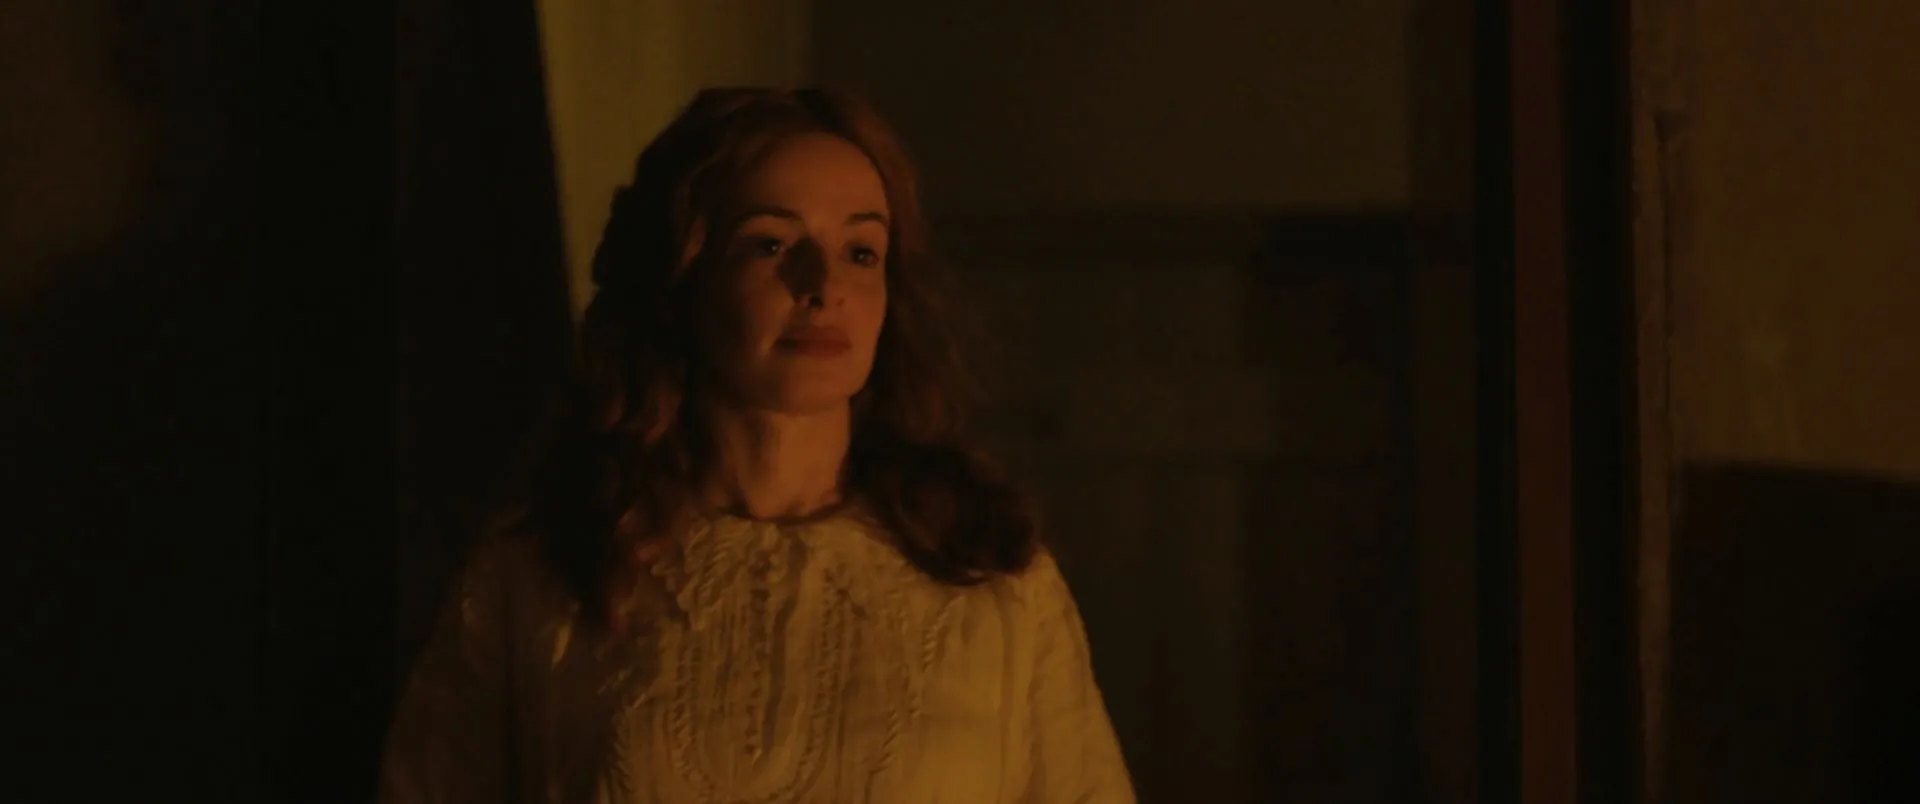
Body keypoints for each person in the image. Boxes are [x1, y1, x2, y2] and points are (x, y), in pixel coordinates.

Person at [379, 87, 1135, 804]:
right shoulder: (545, 573)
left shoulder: (991, 576)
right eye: (771, 244)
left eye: (861, 252)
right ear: (684, 276)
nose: (823, 285)